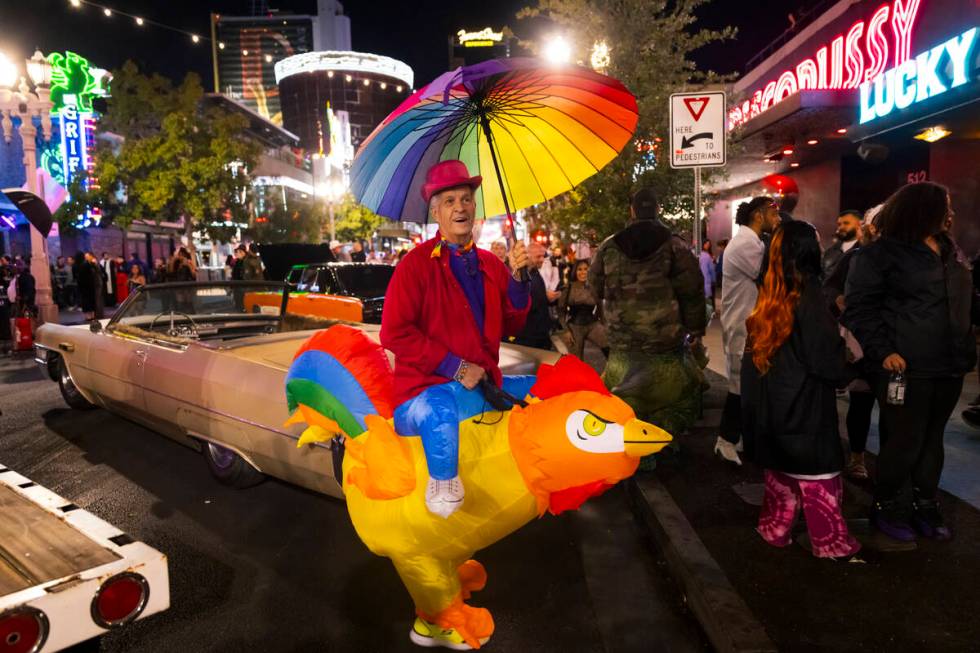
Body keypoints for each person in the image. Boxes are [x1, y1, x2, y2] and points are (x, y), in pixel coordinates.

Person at [381, 159, 530, 519]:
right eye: (449, 201)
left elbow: (514, 323)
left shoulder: (491, 265)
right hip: (422, 393)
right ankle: (443, 485)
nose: (460, 207)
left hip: (482, 387)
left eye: (466, 199)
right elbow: (394, 333)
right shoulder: (415, 265)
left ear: (475, 207)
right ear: (436, 212)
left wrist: (521, 279)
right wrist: (456, 367)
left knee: (542, 388)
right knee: (439, 410)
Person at [844, 182, 976, 542]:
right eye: (944, 206)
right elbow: (860, 308)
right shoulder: (880, 254)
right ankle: (887, 505)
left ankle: (925, 505)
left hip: (949, 364)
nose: (950, 213)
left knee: (933, 439)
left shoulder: (953, 251)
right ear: (921, 210)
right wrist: (883, 351)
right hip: (904, 367)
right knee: (904, 439)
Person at [744, 220, 861, 560]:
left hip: (774, 411)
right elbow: (827, 363)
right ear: (809, 251)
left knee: (781, 482)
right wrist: (853, 363)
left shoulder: (769, 294)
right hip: (806, 413)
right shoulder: (809, 298)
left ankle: (775, 530)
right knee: (818, 482)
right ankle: (829, 543)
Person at [589, 187, 707, 439]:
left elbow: (594, 286)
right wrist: (695, 329)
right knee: (673, 392)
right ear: (657, 209)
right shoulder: (675, 245)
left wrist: (608, 315)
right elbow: (692, 290)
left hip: (622, 339)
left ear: (632, 210)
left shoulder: (609, 246)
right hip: (664, 340)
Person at [716, 197, 781, 465]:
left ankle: (736, 437)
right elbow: (768, 276)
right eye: (773, 213)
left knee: (745, 384)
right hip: (741, 325)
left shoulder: (751, 241)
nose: (777, 219)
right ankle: (726, 439)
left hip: (747, 324)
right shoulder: (745, 244)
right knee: (739, 385)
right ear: (758, 215)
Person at [823, 210, 879, 480]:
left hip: (893, 345)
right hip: (858, 341)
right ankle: (856, 457)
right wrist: (837, 301)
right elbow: (829, 287)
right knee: (861, 402)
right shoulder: (850, 256)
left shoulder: (908, 257)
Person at [558, 259, 608, 360]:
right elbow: (561, 312)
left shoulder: (594, 287)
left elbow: (600, 308)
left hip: (592, 324)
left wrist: (604, 326)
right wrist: (566, 331)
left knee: (609, 347)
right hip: (574, 327)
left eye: (586, 269)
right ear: (575, 271)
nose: (583, 272)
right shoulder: (568, 287)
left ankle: (610, 373)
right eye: (579, 269)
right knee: (576, 362)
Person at [512, 242, 558, 350]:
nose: (542, 259)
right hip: (529, 337)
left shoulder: (535, 272)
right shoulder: (521, 275)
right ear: (528, 256)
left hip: (540, 333)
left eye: (543, 256)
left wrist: (546, 296)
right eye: (538, 256)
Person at [820, 210, 862, 279]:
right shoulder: (830, 252)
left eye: (846, 223)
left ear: (859, 224)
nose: (841, 227)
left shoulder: (865, 250)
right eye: (839, 224)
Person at [698, 241, 716, 320]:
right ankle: (710, 313)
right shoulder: (707, 256)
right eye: (706, 244)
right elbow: (711, 270)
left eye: (709, 244)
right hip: (707, 280)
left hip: (702, 280)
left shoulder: (699, 255)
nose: (707, 246)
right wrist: (714, 279)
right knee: (709, 298)